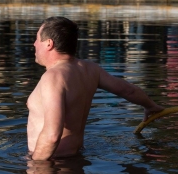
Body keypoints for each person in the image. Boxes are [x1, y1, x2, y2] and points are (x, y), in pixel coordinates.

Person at [27, 16, 164, 160]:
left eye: (37, 39)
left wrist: (35, 166)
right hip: (76, 158)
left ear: (49, 43)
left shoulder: (53, 77)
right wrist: (150, 105)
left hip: (51, 162)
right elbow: (127, 90)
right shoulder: (90, 69)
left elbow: (52, 135)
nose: (34, 44)